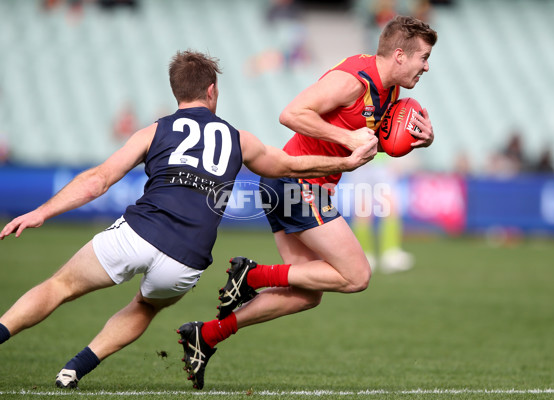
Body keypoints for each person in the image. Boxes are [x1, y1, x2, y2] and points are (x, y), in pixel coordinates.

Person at [0, 50, 377, 389]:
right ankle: (74, 369)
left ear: (176, 93)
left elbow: (98, 180)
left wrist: (41, 211)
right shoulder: (239, 139)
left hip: (138, 233)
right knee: (145, 306)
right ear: (212, 91)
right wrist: (343, 162)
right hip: (185, 261)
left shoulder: (154, 131)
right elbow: (290, 165)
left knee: (60, 286)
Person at [177, 15, 437, 389]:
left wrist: (420, 141)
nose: (426, 65)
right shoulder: (354, 80)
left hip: (295, 185)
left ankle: (208, 335)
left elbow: (373, 142)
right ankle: (253, 275)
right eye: (423, 57)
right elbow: (291, 114)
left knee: (305, 295)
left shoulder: (389, 92)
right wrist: (346, 139)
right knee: (357, 275)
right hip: (297, 182)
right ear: (400, 55)